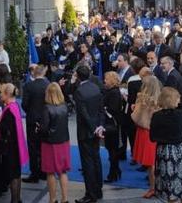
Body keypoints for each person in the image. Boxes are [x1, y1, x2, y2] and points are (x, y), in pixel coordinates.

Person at [150, 87, 182, 203]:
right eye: (178, 98)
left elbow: (152, 137)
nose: (179, 100)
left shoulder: (157, 116)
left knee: (170, 188)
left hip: (165, 153)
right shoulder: (181, 114)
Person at [72, 65, 104, 203]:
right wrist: (99, 127)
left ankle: (91, 194)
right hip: (96, 129)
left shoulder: (79, 91)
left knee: (88, 163)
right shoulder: (95, 87)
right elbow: (101, 109)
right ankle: (98, 190)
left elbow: (84, 113)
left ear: (78, 76)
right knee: (96, 159)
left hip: (86, 132)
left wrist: (93, 128)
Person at [0, 83, 28, 203]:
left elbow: (5, 129)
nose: (0, 95)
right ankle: (17, 199)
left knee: (13, 175)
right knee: (16, 174)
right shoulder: (15, 106)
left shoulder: (9, 110)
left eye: (2, 93)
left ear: (7, 94)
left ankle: (14, 200)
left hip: (10, 148)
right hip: (16, 146)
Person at [41, 82, 71, 203]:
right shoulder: (64, 106)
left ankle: (52, 199)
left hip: (50, 143)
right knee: (63, 171)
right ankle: (65, 199)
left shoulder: (47, 108)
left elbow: (44, 128)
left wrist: (39, 129)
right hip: (63, 141)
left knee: (50, 172)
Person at [131, 76, 161, 199]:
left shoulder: (142, 99)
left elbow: (135, 118)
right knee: (157, 161)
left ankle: (153, 188)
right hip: (158, 133)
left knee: (150, 163)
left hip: (145, 133)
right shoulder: (161, 100)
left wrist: (134, 110)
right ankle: (160, 186)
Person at [21, 64, 49, 182]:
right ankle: (43, 171)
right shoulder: (48, 85)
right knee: (44, 145)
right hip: (46, 119)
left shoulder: (29, 86)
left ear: (34, 73)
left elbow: (24, 104)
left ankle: (35, 173)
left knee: (33, 147)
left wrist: (31, 112)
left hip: (32, 119)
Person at [102, 71, 124, 182]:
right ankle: (115, 171)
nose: (104, 81)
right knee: (111, 150)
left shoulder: (113, 93)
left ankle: (113, 173)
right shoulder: (111, 91)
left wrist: (104, 108)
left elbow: (113, 109)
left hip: (112, 125)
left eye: (106, 79)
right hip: (111, 124)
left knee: (112, 150)